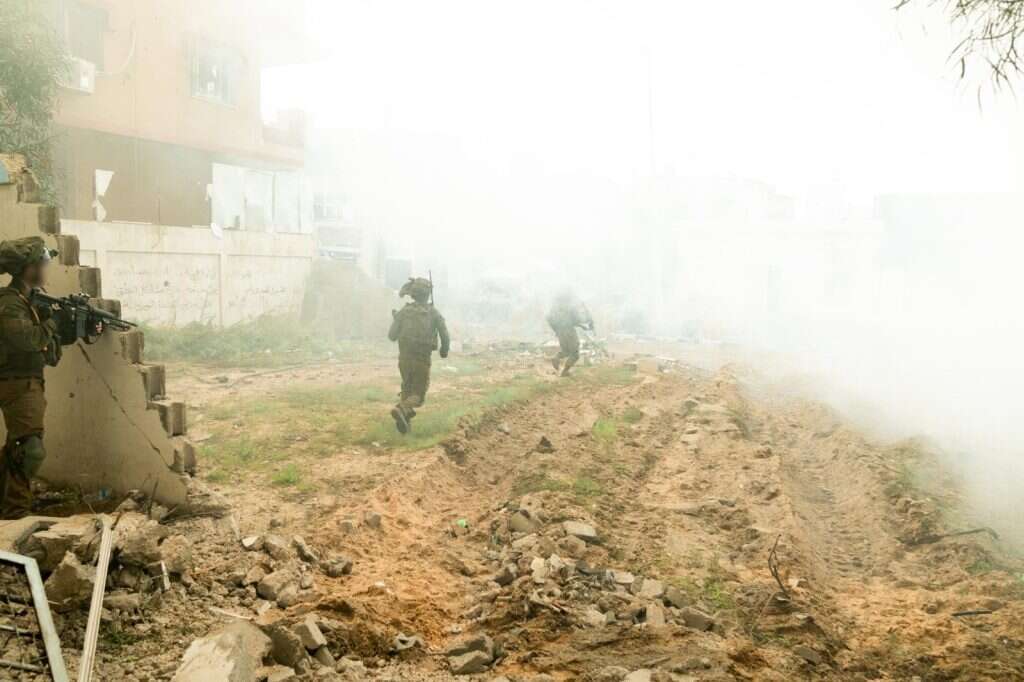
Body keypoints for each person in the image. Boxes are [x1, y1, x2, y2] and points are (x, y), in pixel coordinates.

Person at [0, 237, 66, 519]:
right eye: (42, 264)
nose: (45, 269)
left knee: (16, 449)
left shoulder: (30, 301)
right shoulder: (10, 302)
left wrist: (64, 326)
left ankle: (5, 507)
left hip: (27, 382)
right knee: (29, 450)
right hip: (16, 383)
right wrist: (52, 323)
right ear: (27, 269)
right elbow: (27, 339)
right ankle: (15, 514)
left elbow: (46, 349)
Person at [388, 277, 450, 434]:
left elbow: (392, 336)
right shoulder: (433, 313)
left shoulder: (404, 312)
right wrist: (444, 351)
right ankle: (402, 409)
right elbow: (445, 334)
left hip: (404, 360)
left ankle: (405, 424)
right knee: (418, 395)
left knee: (407, 389)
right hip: (422, 360)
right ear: (427, 294)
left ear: (413, 293)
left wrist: (397, 320)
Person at [547, 292, 593, 377]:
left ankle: (556, 358)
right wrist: (585, 324)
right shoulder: (570, 307)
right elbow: (576, 320)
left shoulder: (554, 309)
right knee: (575, 354)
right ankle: (565, 372)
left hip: (560, 332)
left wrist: (556, 330)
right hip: (569, 331)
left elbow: (549, 319)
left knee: (566, 351)